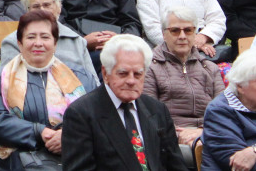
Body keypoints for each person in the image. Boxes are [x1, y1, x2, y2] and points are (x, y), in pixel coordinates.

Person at [62, 35, 185, 171]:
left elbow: (176, 165)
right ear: (105, 73)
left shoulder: (157, 110)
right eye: (123, 73)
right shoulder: (81, 114)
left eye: (138, 74)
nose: (131, 81)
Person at [0, 10, 88, 170]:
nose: (38, 43)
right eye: (31, 37)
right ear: (19, 43)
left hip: (74, 154)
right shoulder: (1, 78)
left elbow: (95, 118)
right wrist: (39, 132)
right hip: (22, 158)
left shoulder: (80, 76)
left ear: (55, 43)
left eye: (45, 37)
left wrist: (68, 135)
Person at [143, 7, 225, 149]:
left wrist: (203, 133)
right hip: (170, 138)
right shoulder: (150, 68)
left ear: (195, 33)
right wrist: (178, 135)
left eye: (188, 30)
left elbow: (224, 113)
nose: (182, 36)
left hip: (208, 134)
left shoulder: (210, 68)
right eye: (175, 30)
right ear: (163, 34)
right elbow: (150, 116)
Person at [0, 0, 99, 89]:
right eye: (36, 6)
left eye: (47, 5)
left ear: (58, 7)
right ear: (28, 11)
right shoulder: (13, 42)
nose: (42, 11)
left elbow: (93, 83)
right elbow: (7, 84)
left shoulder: (76, 40)